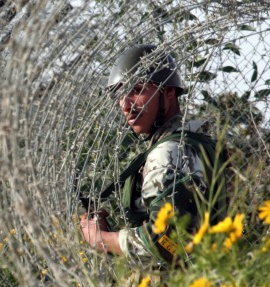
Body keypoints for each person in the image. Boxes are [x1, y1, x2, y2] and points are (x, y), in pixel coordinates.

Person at [80, 44, 226, 265]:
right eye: (120, 94)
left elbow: (168, 242)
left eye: (137, 90)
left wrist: (101, 239)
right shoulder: (194, 140)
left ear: (168, 92)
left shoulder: (168, 153)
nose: (125, 105)